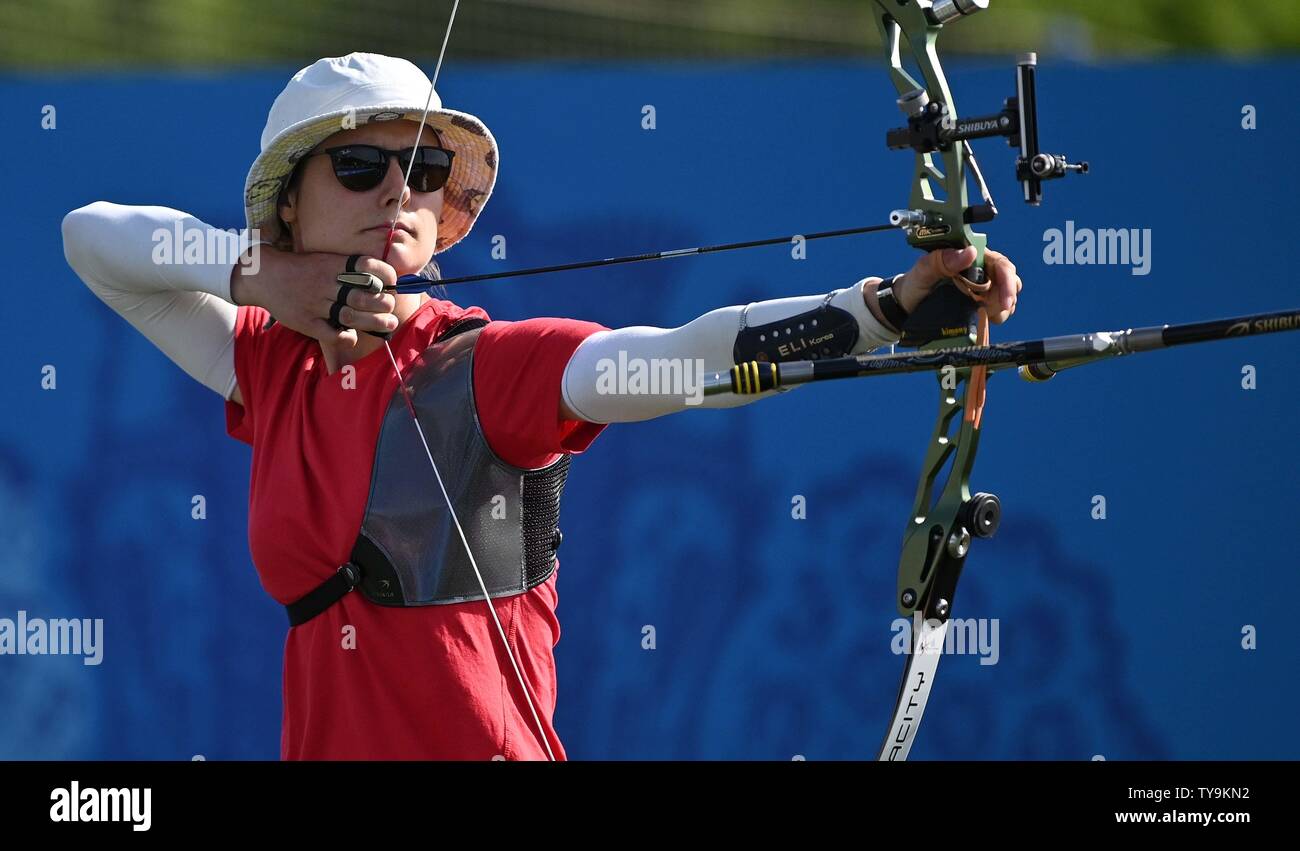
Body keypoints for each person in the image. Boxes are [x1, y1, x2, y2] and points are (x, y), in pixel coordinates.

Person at [61, 52, 1023, 760]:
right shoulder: (268, 367)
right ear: (287, 206)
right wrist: (264, 279)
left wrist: (882, 309)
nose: (399, 189)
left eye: (424, 173)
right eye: (361, 167)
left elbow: (677, 360)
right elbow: (92, 240)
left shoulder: (488, 367)